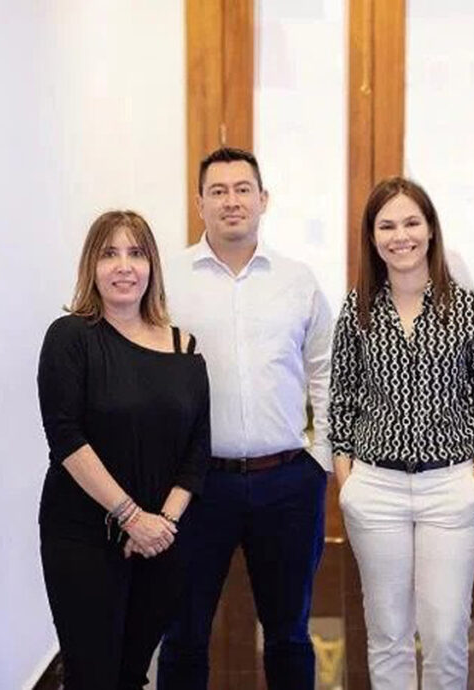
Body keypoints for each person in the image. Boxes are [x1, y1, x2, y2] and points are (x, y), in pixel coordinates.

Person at [157, 147, 333, 690]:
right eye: (218, 191)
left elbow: (326, 368)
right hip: (195, 485)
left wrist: (319, 456)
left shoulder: (297, 280)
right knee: (184, 634)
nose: (231, 201)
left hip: (286, 482)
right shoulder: (167, 280)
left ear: (263, 199)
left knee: (289, 634)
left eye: (242, 189)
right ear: (199, 203)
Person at [329, 176, 474, 689]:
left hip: (451, 488)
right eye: (386, 225)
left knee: (447, 631)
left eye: (411, 222)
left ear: (431, 230)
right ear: (372, 236)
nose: (399, 235)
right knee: (386, 633)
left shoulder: (471, 309)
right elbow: (342, 398)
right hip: (376, 488)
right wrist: (348, 478)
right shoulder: (357, 309)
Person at [36, 210, 210, 690]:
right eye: (109, 253)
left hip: (162, 540)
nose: (123, 266)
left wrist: (163, 525)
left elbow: (197, 450)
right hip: (83, 536)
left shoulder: (183, 346)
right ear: (91, 265)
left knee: (131, 674)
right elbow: (66, 438)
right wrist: (132, 517)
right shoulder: (70, 337)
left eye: (136, 253)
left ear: (152, 266)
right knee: (92, 677)